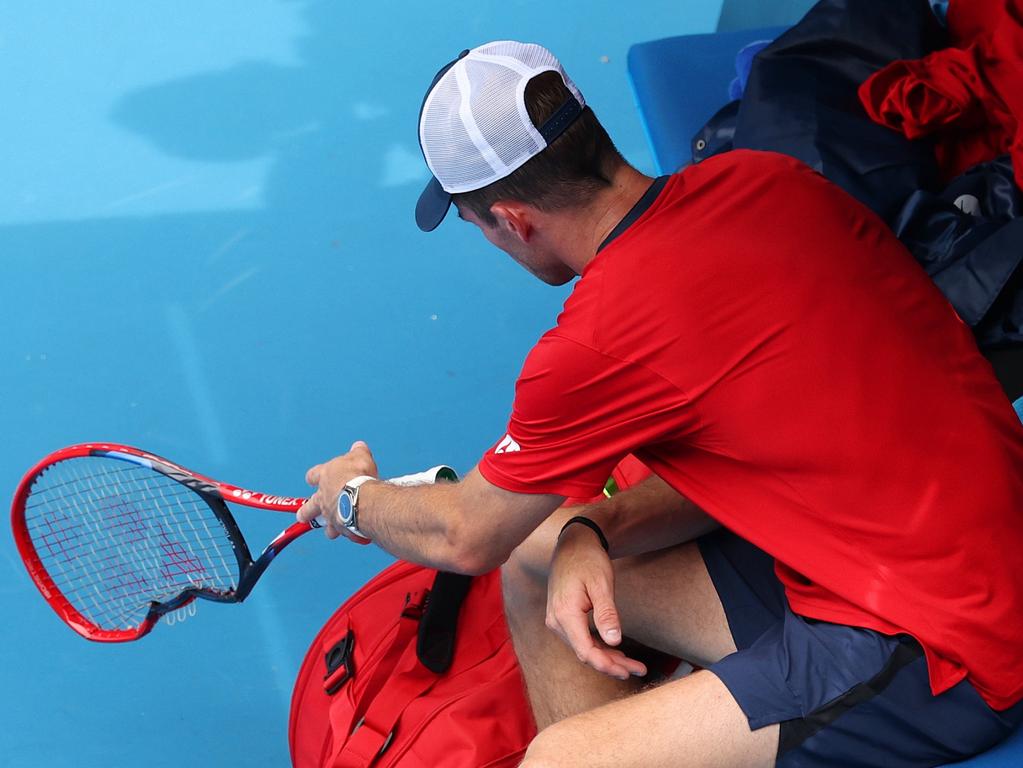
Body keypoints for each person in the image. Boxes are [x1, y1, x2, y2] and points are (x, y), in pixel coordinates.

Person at [296, 41, 1023, 767]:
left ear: (513, 220)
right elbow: (763, 440)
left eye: (476, 223)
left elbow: (463, 536)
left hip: (947, 639)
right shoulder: (765, 180)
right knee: (536, 553)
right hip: (910, 535)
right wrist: (591, 529)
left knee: (560, 759)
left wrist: (353, 497)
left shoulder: (601, 339)